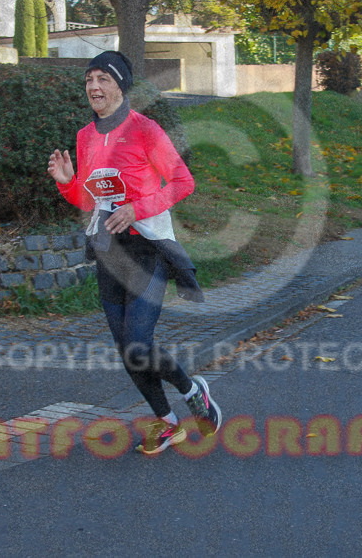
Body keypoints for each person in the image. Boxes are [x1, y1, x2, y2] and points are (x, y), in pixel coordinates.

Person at [48, 51, 221, 455]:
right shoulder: (86, 137)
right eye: (89, 80)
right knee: (127, 350)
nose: (94, 87)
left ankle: (193, 390)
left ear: (121, 86)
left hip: (148, 249)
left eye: (103, 80)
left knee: (138, 342)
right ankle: (167, 422)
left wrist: (136, 208)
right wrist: (66, 183)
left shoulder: (144, 129)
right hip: (110, 251)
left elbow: (182, 181)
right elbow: (88, 199)